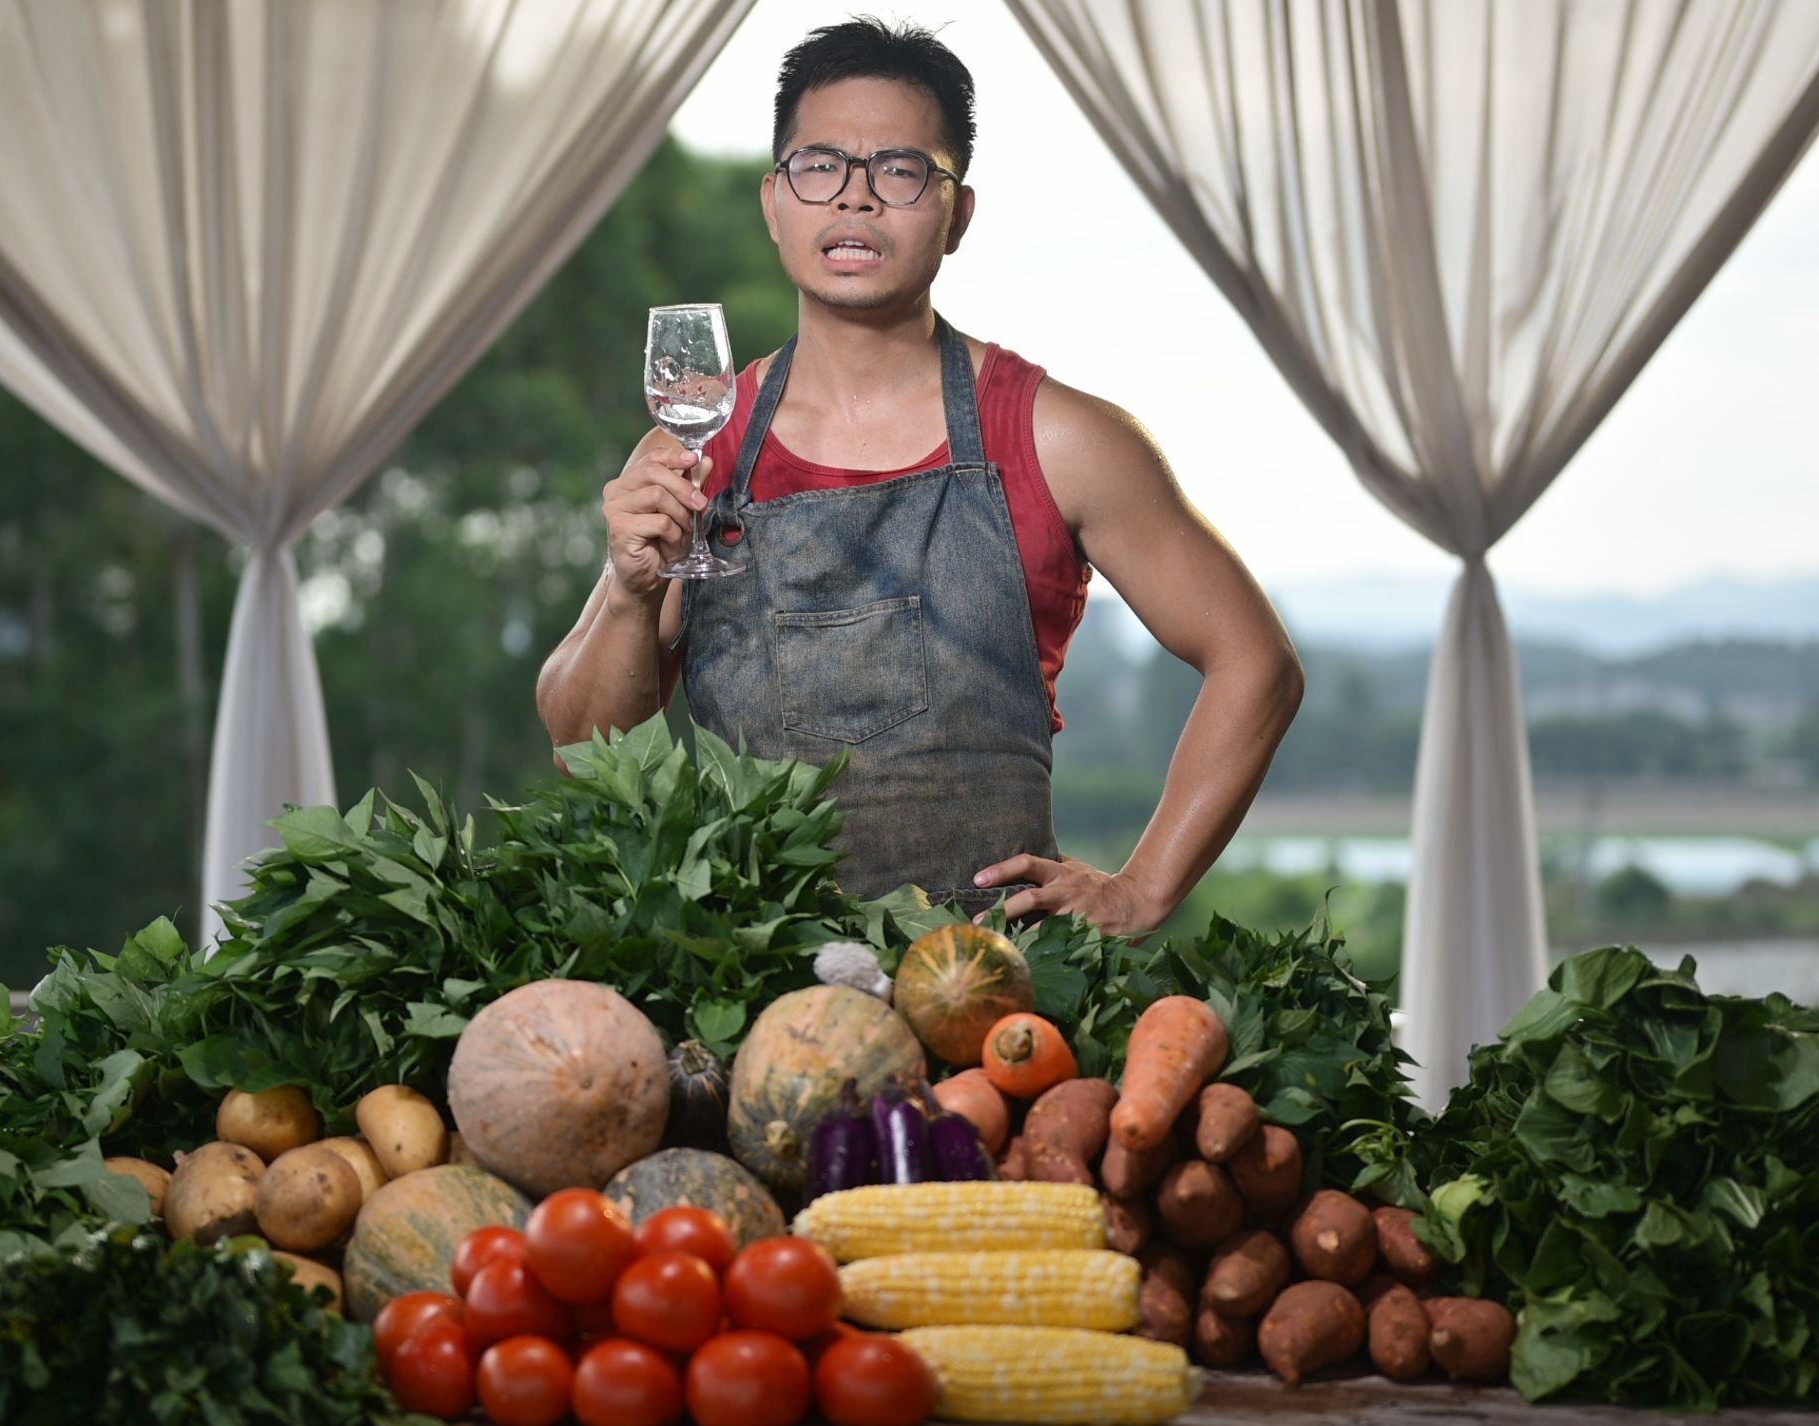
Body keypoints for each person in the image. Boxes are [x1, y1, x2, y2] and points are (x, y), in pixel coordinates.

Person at [535, 18, 1302, 934]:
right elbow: (581, 746)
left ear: (957, 215)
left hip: (997, 985)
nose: (854, 198)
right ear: (774, 203)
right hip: (751, 974)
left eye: (899, 170)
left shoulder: (1060, 438)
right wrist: (632, 594)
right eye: (819, 166)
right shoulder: (698, 448)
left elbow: (1256, 662)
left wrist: (1142, 889)